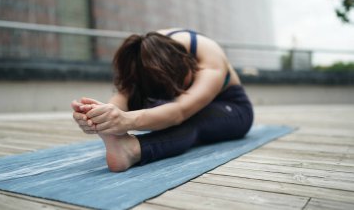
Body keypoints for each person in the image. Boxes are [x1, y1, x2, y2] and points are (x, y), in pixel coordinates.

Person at [71, 28, 254, 172]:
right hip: (177, 105)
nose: (180, 91)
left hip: (232, 108)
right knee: (143, 99)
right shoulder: (146, 53)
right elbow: (126, 93)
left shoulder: (209, 57)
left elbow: (180, 111)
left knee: (191, 120)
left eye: (184, 84)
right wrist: (103, 115)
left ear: (186, 61)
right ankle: (121, 141)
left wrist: (125, 120)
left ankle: (132, 149)